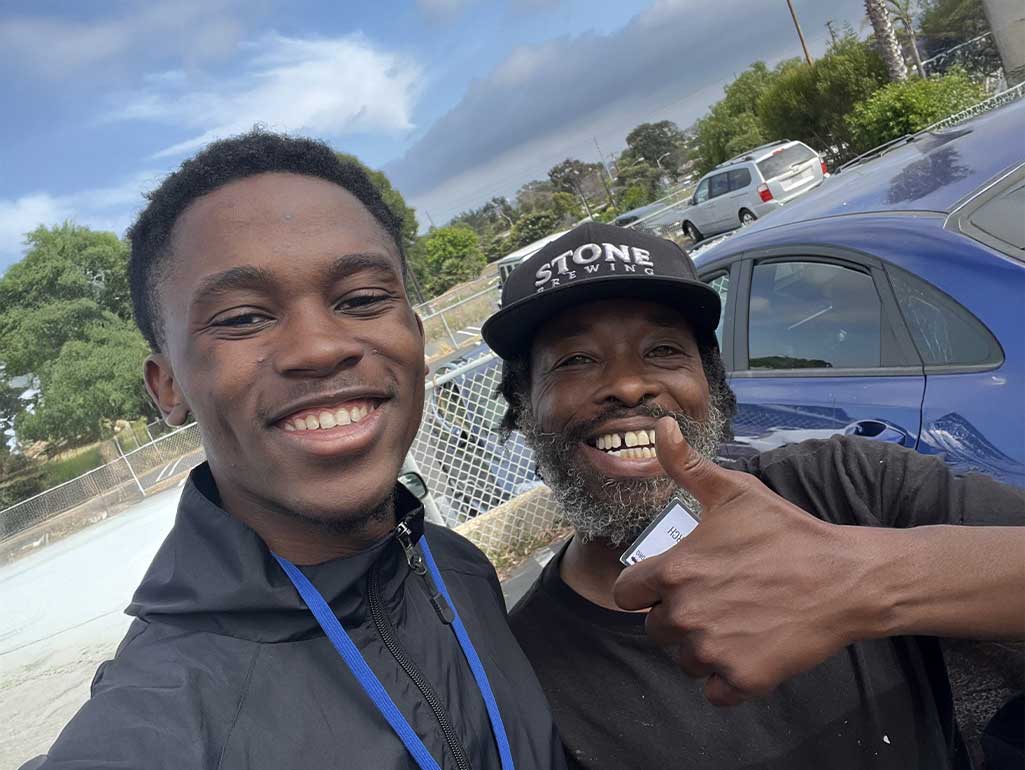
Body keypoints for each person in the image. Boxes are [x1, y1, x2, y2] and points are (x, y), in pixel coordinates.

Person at [22, 132, 566, 770]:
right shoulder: (160, 722)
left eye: (362, 300)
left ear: (416, 337)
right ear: (168, 386)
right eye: (243, 318)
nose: (319, 348)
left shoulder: (457, 567)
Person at [480, 221, 1025, 770]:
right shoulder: (521, 678)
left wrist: (864, 582)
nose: (627, 385)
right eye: (575, 359)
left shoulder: (846, 483)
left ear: (711, 382)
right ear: (524, 407)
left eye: (662, 349)